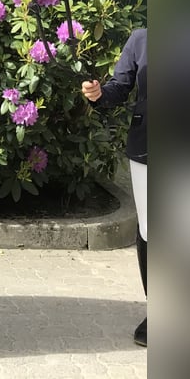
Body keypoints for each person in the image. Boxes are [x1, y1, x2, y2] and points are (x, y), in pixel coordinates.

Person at [81, 27, 147, 346]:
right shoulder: (141, 39)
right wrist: (99, 94)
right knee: (151, 231)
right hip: (147, 148)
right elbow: (119, 88)